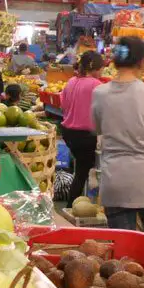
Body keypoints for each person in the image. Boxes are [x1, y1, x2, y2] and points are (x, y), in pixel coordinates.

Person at [91, 37, 144, 245]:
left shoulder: (99, 94)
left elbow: (97, 130)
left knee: (123, 254)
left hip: (115, 182)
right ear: (141, 62)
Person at [60, 52, 104, 206]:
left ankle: (76, 204)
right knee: (85, 171)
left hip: (68, 133)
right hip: (86, 137)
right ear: (96, 69)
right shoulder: (96, 85)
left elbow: (63, 106)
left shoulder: (71, 81)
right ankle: (76, 206)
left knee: (81, 170)